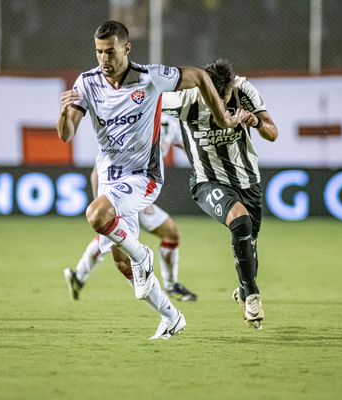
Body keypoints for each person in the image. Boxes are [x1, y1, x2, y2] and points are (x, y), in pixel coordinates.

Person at [57, 21, 241, 339]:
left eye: (110, 51)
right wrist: (63, 113)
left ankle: (143, 254)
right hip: (108, 177)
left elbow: (198, 76)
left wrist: (222, 116)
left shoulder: (151, 77)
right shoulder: (86, 83)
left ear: (126, 49)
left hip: (143, 177)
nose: (104, 58)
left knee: (97, 216)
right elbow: (66, 134)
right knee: (121, 263)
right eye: (99, 51)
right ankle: (172, 318)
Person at [162, 59, 278, 329]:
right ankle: (252, 296)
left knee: (249, 243)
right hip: (207, 180)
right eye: (215, 98)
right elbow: (144, 99)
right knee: (241, 222)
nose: (221, 106)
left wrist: (256, 121)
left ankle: (243, 290)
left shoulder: (244, 91)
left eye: (225, 99)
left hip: (247, 180)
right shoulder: (183, 100)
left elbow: (273, 133)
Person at [64, 114, 198, 303]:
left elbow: (190, 150)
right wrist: (102, 207)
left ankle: (79, 275)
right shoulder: (132, 116)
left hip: (141, 195)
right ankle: (165, 297)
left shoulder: (169, 121)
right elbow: (98, 171)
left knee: (163, 234)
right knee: (119, 247)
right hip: (126, 194)